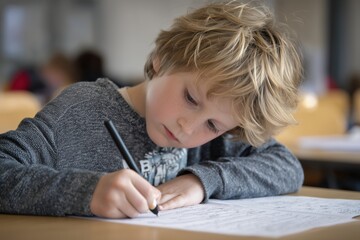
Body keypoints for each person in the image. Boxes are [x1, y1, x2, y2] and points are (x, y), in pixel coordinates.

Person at [0, 1, 303, 218]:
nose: (188, 127)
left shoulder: (210, 141)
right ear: (161, 60)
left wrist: (201, 181)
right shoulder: (80, 111)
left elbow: (286, 166)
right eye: (191, 98)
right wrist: (86, 192)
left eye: (212, 125)